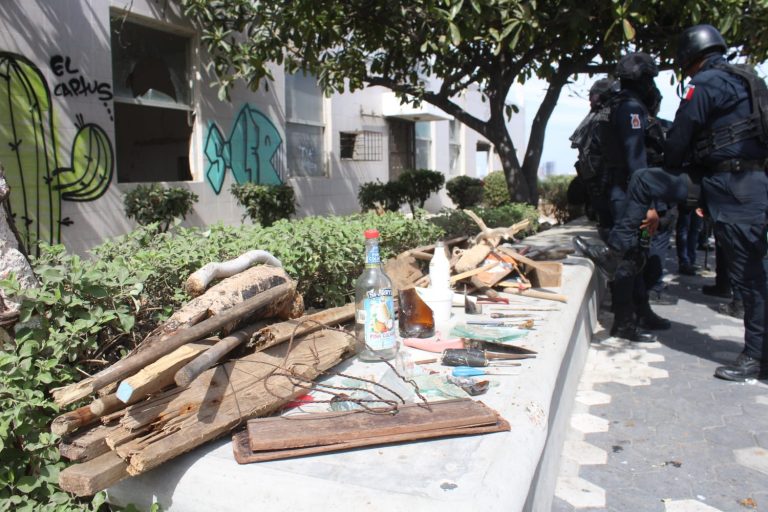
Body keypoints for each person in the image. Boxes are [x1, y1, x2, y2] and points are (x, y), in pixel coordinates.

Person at [576, 24, 768, 381]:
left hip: (730, 186)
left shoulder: (706, 83)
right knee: (644, 187)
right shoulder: (747, 80)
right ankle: (617, 262)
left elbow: (681, 135)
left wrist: (676, 164)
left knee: (750, 278)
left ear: (691, 56)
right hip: (732, 182)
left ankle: (757, 357)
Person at [598, 52, 669, 342]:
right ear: (642, 80)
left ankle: (641, 311)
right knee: (629, 256)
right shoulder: (630, 109)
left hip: (622, 190)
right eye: (650, 79)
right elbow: (636, 160)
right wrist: (648, 206)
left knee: (638, 254)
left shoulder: (617, 104)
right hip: (629, 194)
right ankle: (625, 322)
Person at [675, 205, 703, 275]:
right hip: (686, 203)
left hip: (699, 203)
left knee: (695, 231)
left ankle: (691, 261)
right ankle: (684, 262)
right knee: (684, 231)